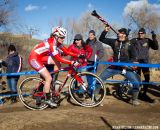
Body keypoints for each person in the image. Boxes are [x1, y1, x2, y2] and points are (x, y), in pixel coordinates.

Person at [28, 26, 82, 107]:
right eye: (62, 37)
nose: (63, 39)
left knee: (56, 63)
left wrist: (78, 55)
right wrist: (71, 62)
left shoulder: (57, 42)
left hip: (41, 57)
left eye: (64, 37)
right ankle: (47, 99)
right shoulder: (52, 43)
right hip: (34, 59)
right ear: (56, 36)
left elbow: (66, 51)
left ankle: (54, 81)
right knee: (48, 78)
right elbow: (59, 58)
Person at [99, 26, 140, 106]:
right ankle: (96, 97)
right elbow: (101, 39)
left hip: (125, 68)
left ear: (124, 35)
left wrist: (128, 63)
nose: (118, 34)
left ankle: (134, 99)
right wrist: (105, 31)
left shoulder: (130, 44)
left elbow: (134, 57)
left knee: (136, 82)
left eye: (120, 33)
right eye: (118, 33)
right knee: (100, 79)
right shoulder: (114, 41)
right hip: (114, 67)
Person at [130, 28, 159, 101]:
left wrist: (154, 37)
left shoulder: (148, 40)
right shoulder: (134, 40)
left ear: (144, 33)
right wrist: (126, 34)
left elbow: (156, 47)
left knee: (147, 78)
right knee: (137, 79)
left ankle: (144, 93)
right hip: (136, 63)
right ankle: (137, 94)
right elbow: (127, 44)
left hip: (145, 63)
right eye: (139, 33)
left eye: (142, 33)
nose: (140, 34)